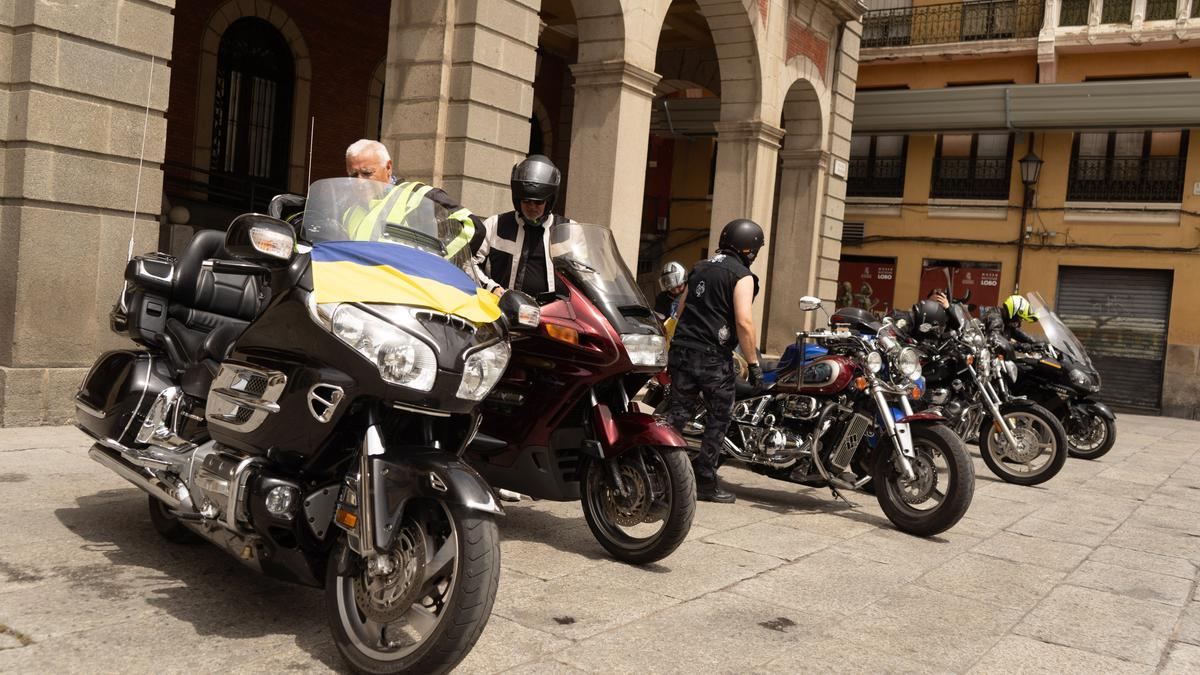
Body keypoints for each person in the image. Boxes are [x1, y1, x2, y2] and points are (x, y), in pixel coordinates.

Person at [662, 219, 764, 504]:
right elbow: (744, 322)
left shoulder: (700, 266)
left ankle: (655, 466)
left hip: (682, 349)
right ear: (750, 248)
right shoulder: (743, 276)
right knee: (720, 417)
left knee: (677, 414)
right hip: (711, 357)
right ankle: (705, 478)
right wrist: (754, 365)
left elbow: (680, 311)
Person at [342, 139, 481, 258]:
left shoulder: (417, 195)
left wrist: (431, 264)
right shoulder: (349, 213)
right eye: (353, 175)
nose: (359, 182)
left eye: (367, 173)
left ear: (388, 167)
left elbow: (472, 226)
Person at [474, 155, 572, 297]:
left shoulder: (568, 231)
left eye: (538, 202)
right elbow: (469, 264)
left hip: (553, 314)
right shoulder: (495, 225)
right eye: (526, 201)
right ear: (517, 199)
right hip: (501, 310)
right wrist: (491, 288)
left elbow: (586, 275)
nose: (532, 207)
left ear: (549, 201)